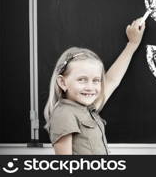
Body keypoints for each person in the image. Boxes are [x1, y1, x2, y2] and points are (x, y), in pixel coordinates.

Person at [43, 17, 146, 155]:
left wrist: (132, 44)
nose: (90, 87)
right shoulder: (65, 114)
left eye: (96, 80)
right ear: (62, 82)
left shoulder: (86, 109)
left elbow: (112, 80)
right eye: (82, 80)